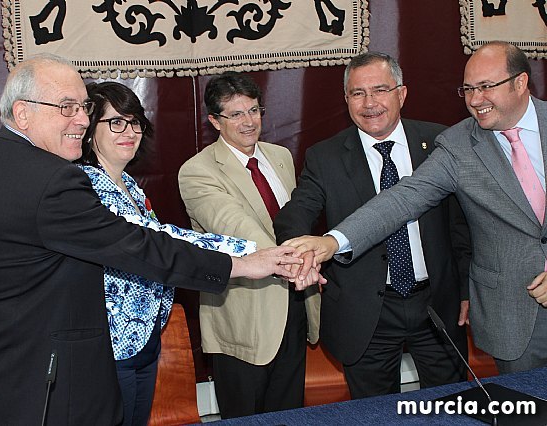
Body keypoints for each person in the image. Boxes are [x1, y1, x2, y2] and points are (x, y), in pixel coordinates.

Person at [0, 54, 304, 426]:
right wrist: (241, 264)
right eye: (67, 108)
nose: (82, 119)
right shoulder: (54, 181)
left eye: (83, 107)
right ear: (23, 113)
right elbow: (138, 246)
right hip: (34, 386)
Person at [284, 41, 547, 375]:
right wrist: (332, 242)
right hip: (515, 316)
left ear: (520, 82)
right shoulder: (457, 145)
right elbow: (402, 199)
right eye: (468, 89)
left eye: (485, 87)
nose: (475, 100)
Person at [274, 51, 471, 398]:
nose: (370, 103)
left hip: (437, 302)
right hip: (366, 311)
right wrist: (298, 252)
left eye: (380, 90)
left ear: (402, 93)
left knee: (452, 406)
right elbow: (296, 214)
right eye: (357, 93)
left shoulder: (440, 143)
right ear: (346, 98)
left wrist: (467, 290)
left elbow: (462, 226)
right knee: (375, 413)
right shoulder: (325, 156)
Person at [76, 81, 257, 426]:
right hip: (110, 348)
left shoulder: (127, 184)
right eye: (115, 122)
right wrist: (250, 255)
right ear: (88, 131)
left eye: (135, 122)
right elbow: (161, 240)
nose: (129, 131)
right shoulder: (86, 186)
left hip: (143, 340)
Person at [178, 72, 322, 418]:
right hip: (244, 318)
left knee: (289, 414)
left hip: (295, 305)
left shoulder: (281, 156)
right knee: (245, 416)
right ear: (214, 120)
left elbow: (296, 220)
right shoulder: (197, 171)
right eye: (236, 114)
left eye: (254, 110)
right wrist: (300, 261)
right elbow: (237, 231)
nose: (249, 122)